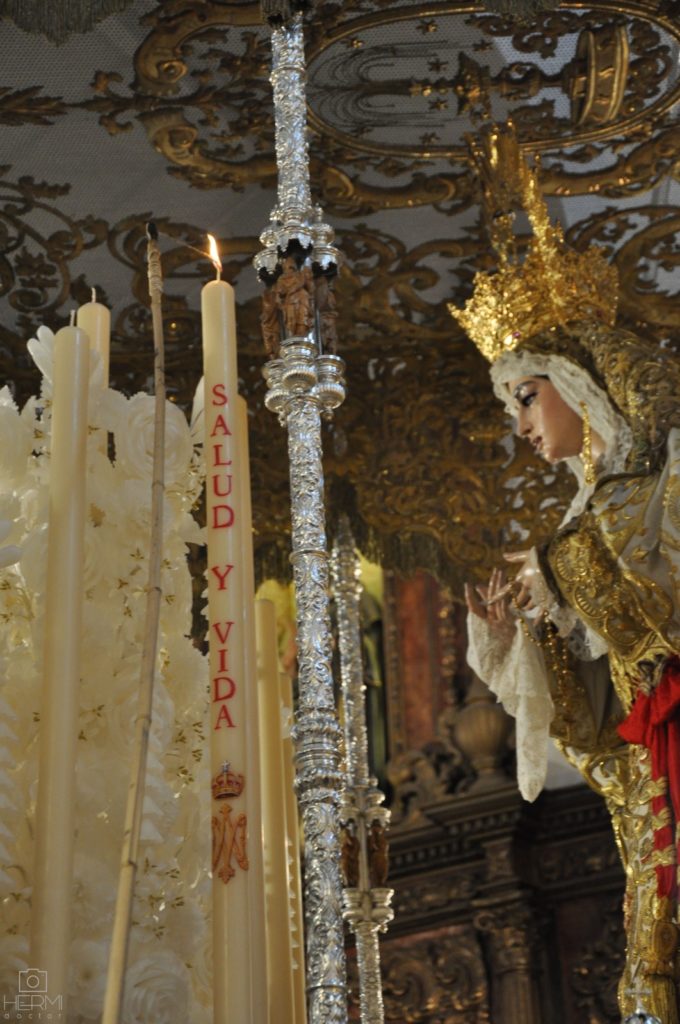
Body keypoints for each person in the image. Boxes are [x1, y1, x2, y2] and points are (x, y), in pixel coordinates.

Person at [451, 123, 680, 1022]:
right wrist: (524, 640)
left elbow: (656, 596)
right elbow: (593, 718)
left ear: (578, 382)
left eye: (525, 395)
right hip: (650, 773)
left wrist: (558, 569)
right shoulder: (586, 520)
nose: (519, 424)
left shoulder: (658, 486)